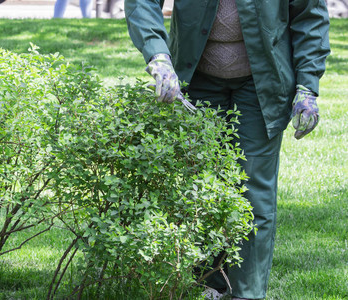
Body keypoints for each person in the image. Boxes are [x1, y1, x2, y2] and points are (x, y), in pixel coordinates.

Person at [124, 0, 330, 299]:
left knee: (253, 188)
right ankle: (210, 283)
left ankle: (247, 292)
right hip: (197, 78)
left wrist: (307, 87)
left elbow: (310, 16)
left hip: (263, 82)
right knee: (202, 184)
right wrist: (158, 55)